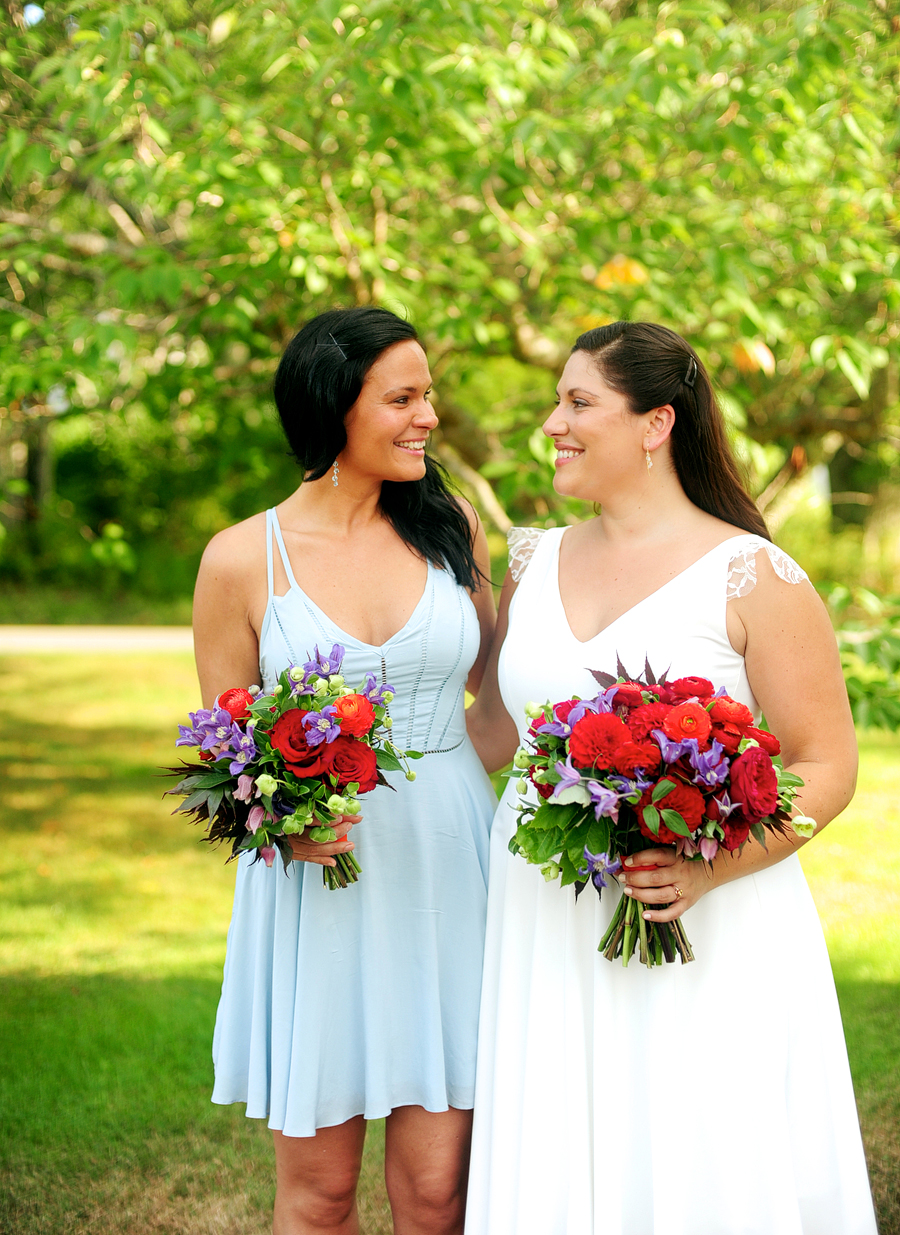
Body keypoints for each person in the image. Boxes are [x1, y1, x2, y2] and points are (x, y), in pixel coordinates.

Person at [464, 321, 877, 1234]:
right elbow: (493, 729)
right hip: (544, 906)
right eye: (558, 400)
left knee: (696, 1143)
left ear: (656, 424)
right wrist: (355, 773)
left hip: (702, 909)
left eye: (579, 403)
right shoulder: (530, 558)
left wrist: (704, 868)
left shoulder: (751, 574)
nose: (553, 423)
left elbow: (828, 765)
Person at [192, 306, 497, 1235]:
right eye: (402, 397)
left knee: (439, 1194)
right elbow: (223, 748)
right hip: (315, 889)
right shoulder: (243, 557)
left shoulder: (454, 527)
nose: (428, 417)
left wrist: (453, 783)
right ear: (336, 408)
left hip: (452, 870)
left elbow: (506, 691)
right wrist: (284, 821)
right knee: (320, 1197)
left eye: (428, 394)